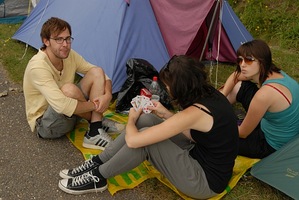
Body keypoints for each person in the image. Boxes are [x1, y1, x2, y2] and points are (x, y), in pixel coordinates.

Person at [57, 55, 239, 199]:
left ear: (181, 87)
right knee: (147, 121)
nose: (166, 89)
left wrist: (131, 118)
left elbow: (133, 140)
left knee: (145, 139)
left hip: (204, 181)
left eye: (168, 85)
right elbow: (197, 134)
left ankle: (99, 176)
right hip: (199, 153)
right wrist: (165, 114)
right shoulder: (208, 94)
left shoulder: (194, 112)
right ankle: (99, 161)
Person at [23, 17, 113, 150]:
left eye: (68, 38)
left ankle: (95, 128)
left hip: (72, 111)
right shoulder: (38, 67)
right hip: (46, 124)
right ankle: (96, 123)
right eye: (59, 39)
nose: (65, 44)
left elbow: (101, 75)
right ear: (46, 41)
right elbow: (61, 105)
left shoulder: (68, 54)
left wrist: (108, 96)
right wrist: (96, 106)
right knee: (68, 90)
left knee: (96, 71)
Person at [220, 39, 299, 159]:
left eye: (249, 60)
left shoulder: (264, 95)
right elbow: (236, 75)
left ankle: (210, 116)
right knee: (242, 86)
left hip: (272, 144)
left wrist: (215, 125)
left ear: (262, 61)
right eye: (240, 60)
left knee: (216, 138)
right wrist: (222, 97)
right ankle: (216, 107)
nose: (242, 65)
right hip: (279, 127)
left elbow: (242, 133)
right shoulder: (275, 73)